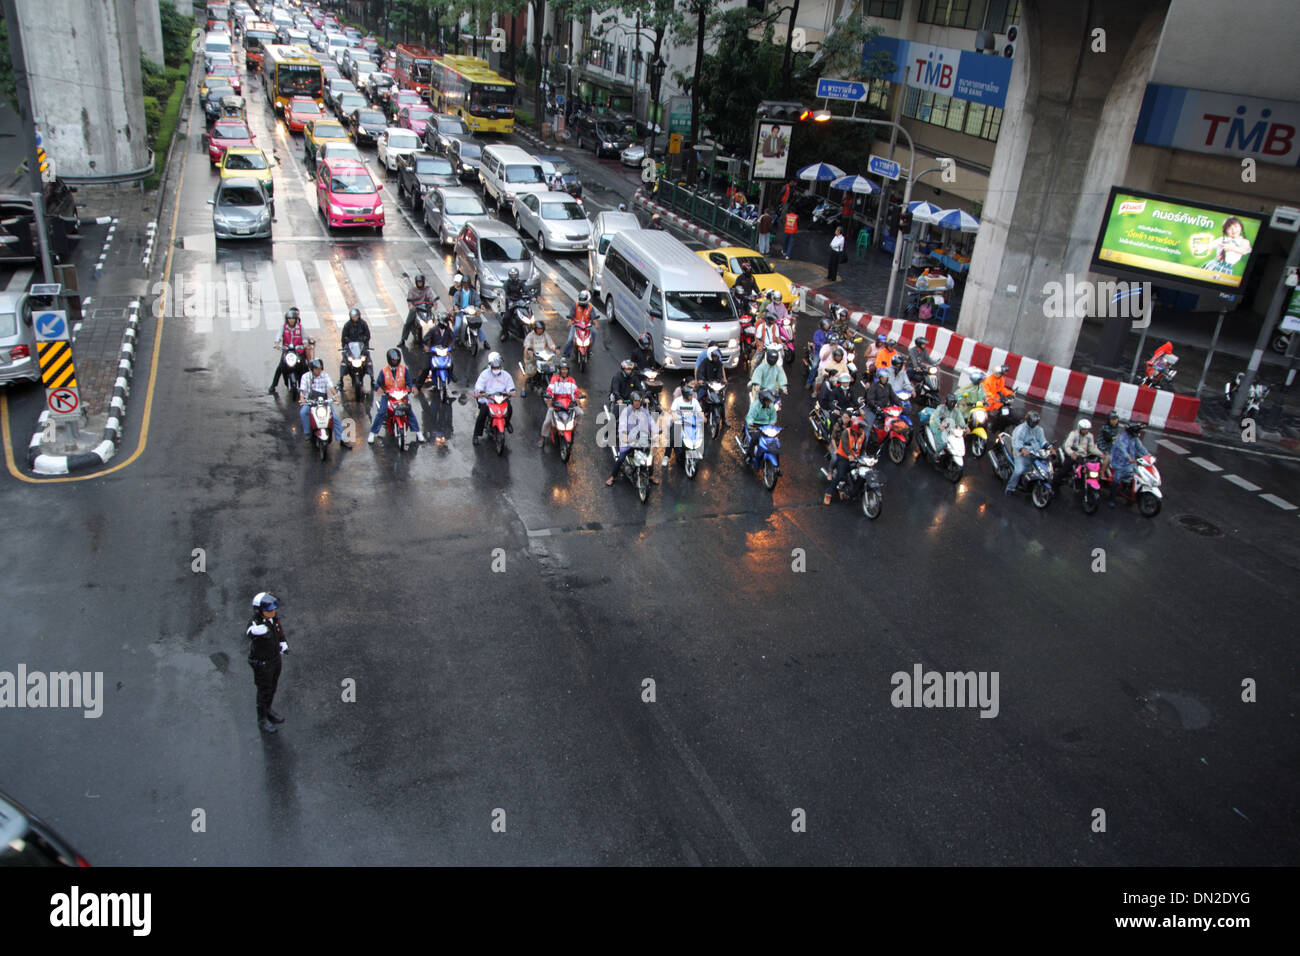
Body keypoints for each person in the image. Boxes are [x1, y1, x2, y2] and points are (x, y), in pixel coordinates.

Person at [246, 592, 288, 734]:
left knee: (272, 687)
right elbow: (249, 633)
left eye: (273, 609)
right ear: (260, 611)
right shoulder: (256, 624)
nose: (273, 612)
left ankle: (268, 709)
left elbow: (279, 631)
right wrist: (255, 631)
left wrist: (283, 643)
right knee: (264, 691)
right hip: (262, 664)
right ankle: (262, 719)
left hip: (275, 659)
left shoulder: (273, 619)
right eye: (269, 610)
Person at [368, 348, 424, 443]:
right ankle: (372, 433)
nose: (395, 361)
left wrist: (413, 387)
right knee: (381, 412)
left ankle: (418, 432)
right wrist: (379, 389)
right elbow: (377, 384)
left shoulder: (404, 370)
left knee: (409, 412)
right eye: (393, 360)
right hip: (388, 396)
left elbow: (410, 382)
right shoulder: (384, 371)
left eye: (397, 360)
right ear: (389, 359)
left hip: (401, 395)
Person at [607, 390, 659, 485]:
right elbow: (622, 425)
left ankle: (651, 475)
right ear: (632, 401)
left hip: (642, 439)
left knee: (650, 456)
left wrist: (655, 432)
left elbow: (652, 423)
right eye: (635, 401)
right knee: (621, 458)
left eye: (639, 401)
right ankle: (613, 476)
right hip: (629, 440)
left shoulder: (645, 412)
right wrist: (624, 435)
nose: (637, 403)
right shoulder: (626, 411)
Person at [297, 358, 347, 445]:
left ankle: (342, 439)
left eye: (320, 368)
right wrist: (302, 398)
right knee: (303, 412)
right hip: (311, 401)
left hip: (323, 401)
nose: (319, 370)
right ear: (312, 369)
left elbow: (331, 387)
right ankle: (307, 433)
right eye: (317, 369)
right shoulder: (305, 377)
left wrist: (336, 397)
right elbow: (303, 390)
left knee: (334, 418)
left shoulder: (325, 375)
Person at [471, 352, 517, 445]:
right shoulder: (484, 374)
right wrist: (481, 392)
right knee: (482, 414)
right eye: (494, 367)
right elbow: (479, 386)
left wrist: (510, 392)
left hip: (501, 398)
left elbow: (510, 387)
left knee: (510, 409)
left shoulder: (506, 375)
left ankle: (507, 423)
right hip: (488, 399)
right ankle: (476, 435)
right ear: (490, 366)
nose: (496, 369)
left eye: (498, 367)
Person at [537, 357, 583, 447]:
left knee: (580, 413)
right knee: (547, 421)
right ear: (560, 370)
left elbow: (576, 392)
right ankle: (542, 438)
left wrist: (578, 397)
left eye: (566, 369)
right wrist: (549, 397)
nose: (564, 371)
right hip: (556, 405)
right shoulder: (554, 379)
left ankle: (573, 428)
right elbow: (550, 390)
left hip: (569, 405)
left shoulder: (571, 380)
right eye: (562, 369)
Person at [824, 415, 868, 505]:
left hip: (856, 459)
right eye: (861, 428)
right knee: (840, 475)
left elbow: (863, 449)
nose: (862, 430)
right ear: (856, 428)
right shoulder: (846, 432)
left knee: (863, 475)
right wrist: (849, 455)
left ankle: (853, 493)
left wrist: (864, 459)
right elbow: (844, 445)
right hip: (843, 457)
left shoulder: (863, 435)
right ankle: (829, 493)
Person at [1004, 410, 1047, 495]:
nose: (1034, 424)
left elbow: (1043, 441)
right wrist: (1022, 449)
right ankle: (1010, 487)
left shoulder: (1039, 430)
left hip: (1035, 453)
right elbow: (1016, 442)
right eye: (1032, 422)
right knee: (1019, 470)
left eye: (1035, 422)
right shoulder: (1020, 429)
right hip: (1021, 454)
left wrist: (1048, 447)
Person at [1108, 421, 1150, 506]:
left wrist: (1149, 456)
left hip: (1130, 463)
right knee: (1117, 478)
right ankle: (1111, 499)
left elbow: (1140, 448)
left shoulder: (1135, 438)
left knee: (1136, 476)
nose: (1138, 433)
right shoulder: (1122, 438)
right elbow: (1122, 450)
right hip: (1119, 462)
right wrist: (1128, 457)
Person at [664, 382, 703, 465]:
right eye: (690, 394)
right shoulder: (677, 401)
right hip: (678, 422)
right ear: (685, 394)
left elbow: (699, 412)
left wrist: (703, 417)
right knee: (672, 438)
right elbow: (673, 411)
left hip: (690, 422)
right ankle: (666, 456)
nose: (692, 396)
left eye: (692, 394)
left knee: (698, 435)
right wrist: (674, 417)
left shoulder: (695, 401)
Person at [269, 308, 306, 393]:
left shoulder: (300, 327)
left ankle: (307, 385)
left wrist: (305, 344)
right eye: (289, 319)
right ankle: (273, 385)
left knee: (304, 367)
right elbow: (278, 335)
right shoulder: (283, 327)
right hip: (287, 351)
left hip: (298, 351)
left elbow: (304, 338)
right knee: (280, 367)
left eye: (293, 318)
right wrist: (277, 343)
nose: (291, 320)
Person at [415, 312, 456, 387]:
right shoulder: (433, 330)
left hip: (444, 351)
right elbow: (425, 339)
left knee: (451, 363)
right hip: (434, 352)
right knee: (426, 368)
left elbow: (453, 338)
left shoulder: (448, 330)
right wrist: (426, 346)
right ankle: (418, 386)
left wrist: (451, 346)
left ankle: (451, 374)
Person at [400, 273, 438, 349]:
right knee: (408, 322)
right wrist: (411, 305)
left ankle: (437, 338)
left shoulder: (427, 289)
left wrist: (434, 303)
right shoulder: (412, 290)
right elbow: (409, 300)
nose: (419, 283)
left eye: (421, 282)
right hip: (416, 309)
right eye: (418, 282)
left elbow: (431, 297)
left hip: (426, 309)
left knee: (434, 320)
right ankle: (403, 339)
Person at [448, 273, 486, 348]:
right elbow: (454, 301)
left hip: (471, 312)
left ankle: (484, 341)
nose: (466, 285)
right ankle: (453, 340)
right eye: (464, 283)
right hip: (461, 312)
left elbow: (477, 300)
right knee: (457, 326)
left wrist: (480, 305)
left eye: (467, 283)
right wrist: (455, 307)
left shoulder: (473, 292)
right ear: (462, 284)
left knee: (477, 326)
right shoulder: (458, 293)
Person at [521, 319, 557, 394]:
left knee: (551, 369)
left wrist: (554, 348)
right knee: (529, 373)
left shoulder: (545, 334)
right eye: (538, 329)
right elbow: (526, 344)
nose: (540, 330)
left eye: (541, 329)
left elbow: (550, 343)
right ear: (535, 329)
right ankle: (523, 388)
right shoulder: (531, 335)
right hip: (533, 357)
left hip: (543, 356)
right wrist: (529, 350)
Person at [744, 388, 779, 467]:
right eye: (768, 401)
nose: (769, 403)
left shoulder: (770, 406)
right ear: (763, 400)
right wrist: (751, 424)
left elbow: (773, 417)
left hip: (765, 426)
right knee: (754, 439)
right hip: (755, 425)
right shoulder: (755, 405)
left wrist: (771, 425)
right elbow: (750, 417)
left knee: (774, 440)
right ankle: (749, 455)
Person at [339, 307, 372, 387]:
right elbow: (344, 337)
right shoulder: (347, 325)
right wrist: (345, 346)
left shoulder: (363, 324)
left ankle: (372, 379)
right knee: (344, 362)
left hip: (361, 347)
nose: (354, 318)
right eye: (353, 317)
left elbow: (367, 335)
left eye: (356, 316)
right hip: (351, 348)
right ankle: (341, 380)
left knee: (368, 361)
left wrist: (364, 341)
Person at [694, 346, 728, 426]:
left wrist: (721, 380)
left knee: (722, 402)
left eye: (717, 356)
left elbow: (720, 374)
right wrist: (701, 379)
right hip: (706, 385)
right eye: (715, 356)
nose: (716, 358)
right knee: (697, 398)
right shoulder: (705, 362)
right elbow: (700, 372)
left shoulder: (719, 363)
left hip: (715, 385)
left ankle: (724, 421)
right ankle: (694, 417)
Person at [561, 289, 599, 358]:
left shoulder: (590, 308)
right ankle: (565, 355)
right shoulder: (575, 305)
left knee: (595, 333)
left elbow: (593, 317)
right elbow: (571, 314)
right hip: (576, 325)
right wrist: (570, 320)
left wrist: (595, 323)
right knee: (570, 340)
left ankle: (589, 349)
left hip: (587, 326)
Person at [501, 267, 529, 342]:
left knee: (528, 312)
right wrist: (509, 301)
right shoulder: (506, 283)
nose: (513, 277)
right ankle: (504, 333)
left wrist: (532, 297)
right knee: (506, 317)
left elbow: (526, 289)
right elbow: (504, 293)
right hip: (510, 302)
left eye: (515, 275)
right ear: (509, 276)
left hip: (519, 301)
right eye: (512, 275)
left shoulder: (520, 282)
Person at [805, 317, 832, 388]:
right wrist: (821, 344)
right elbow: (816, 340)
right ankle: (809, 382)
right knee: (814, 366)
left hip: (828, 352)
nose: (827, 326)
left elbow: (835, 339)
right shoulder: (817, 332)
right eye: (826, 325)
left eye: (828, 325)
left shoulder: (830, 332)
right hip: (818, 352)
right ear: (822, 326)